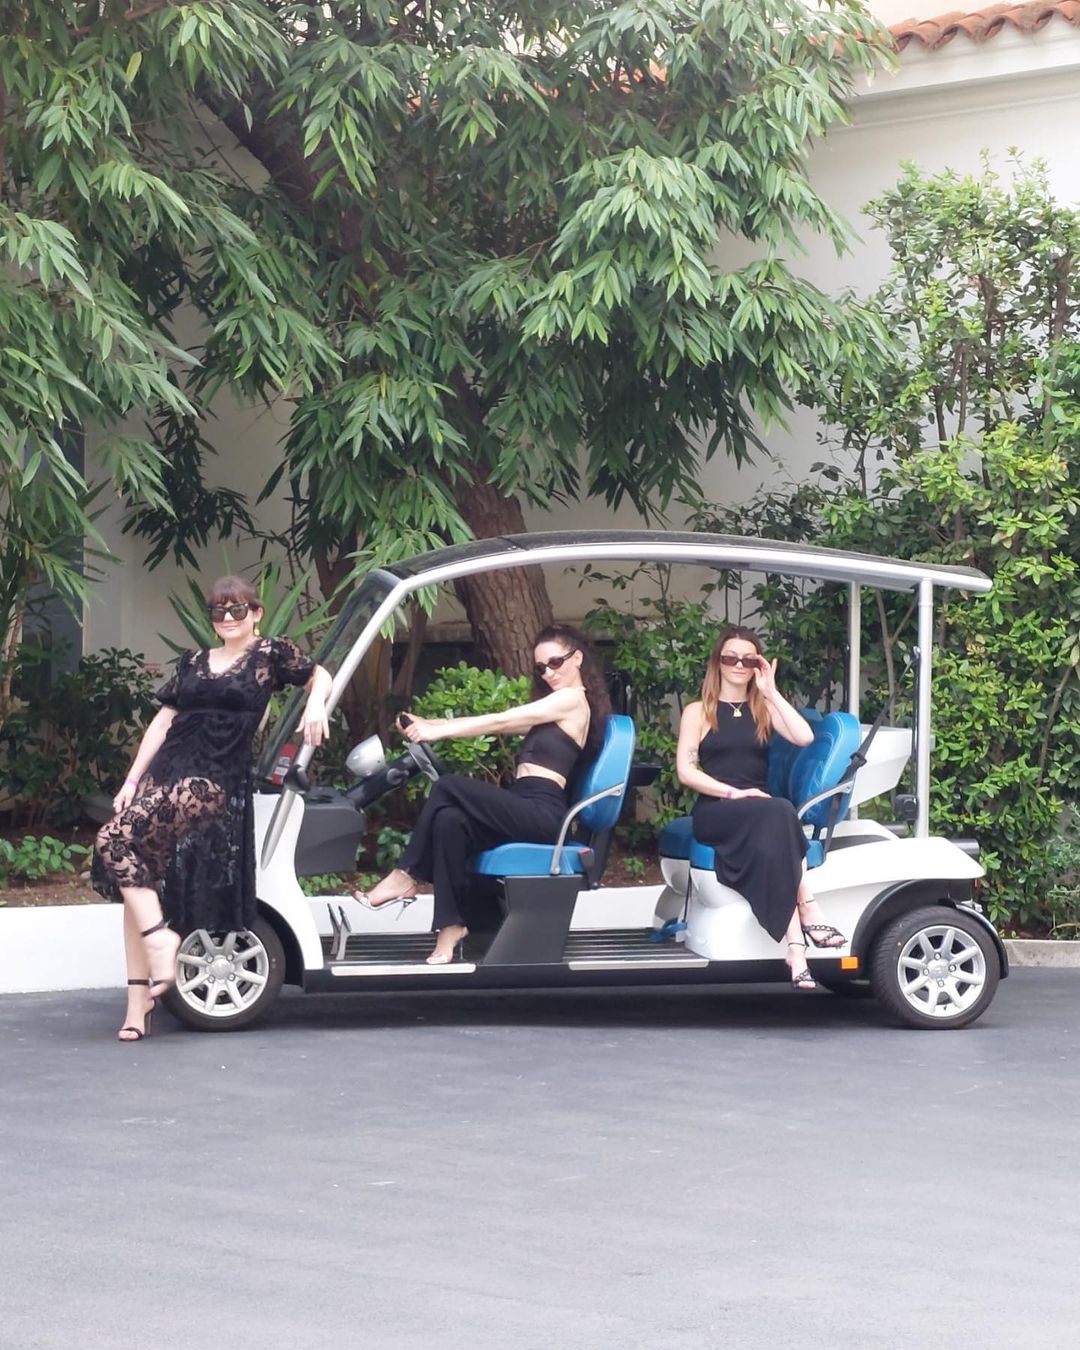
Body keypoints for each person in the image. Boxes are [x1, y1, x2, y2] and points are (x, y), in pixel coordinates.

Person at [92, 576, 332, 1041]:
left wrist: (316, 705)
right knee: (136, 876)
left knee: (114, 840)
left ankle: (161, 938)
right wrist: (132, 780)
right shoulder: (192, 662)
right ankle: (138, 1001)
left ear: (256, 613)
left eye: (237, 609)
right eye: (219, 611)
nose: (227, 618)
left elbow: (318, 674)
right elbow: (163, 721)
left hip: (213, 776)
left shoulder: (270, 653)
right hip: (167, 771)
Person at [356, 625, 611, 965]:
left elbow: (501, 721)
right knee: (450, 821)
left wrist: (438, 731)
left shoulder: (572, 700)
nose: (548, 673)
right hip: (524, 803)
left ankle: (405, 876)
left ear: (577, 658)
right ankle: (451, 926)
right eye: (540, 668)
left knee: (448, 786)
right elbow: (503, 722)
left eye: (555, 662)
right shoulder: (552, 708)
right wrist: (431, 723)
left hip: (543, 812)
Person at [675, 626, 846, 990]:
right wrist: (733, 794)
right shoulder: (699, 711)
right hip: (718, 808)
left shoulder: (763, 708)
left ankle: (796, 950)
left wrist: (770, 691)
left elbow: (804, 737)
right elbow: (686, 772)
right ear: (718, 662)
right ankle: (808, 906)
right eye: (730, 657)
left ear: (758, 665)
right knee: (780, 812)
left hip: (763, 811)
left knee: (777, 819)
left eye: (748, 659)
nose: (739, 664)